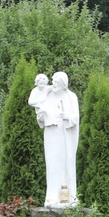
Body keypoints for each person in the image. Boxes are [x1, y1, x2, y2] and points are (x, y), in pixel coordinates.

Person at [32, 71, 80, 208]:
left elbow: (75, 117)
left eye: (57, 82)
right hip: (51, 134)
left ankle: (67, 197)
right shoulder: (47, 96)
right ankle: (52, 197)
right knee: (52, 164)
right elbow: (40, 116)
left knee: (65, 164)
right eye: (53, 81)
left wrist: (66, 116)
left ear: (64, 84)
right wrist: (41, 116)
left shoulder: (71, 97)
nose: (54, 84)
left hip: (64, 135)